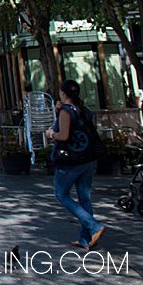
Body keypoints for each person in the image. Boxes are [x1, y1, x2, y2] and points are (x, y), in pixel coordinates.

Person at [45, 79, 105, 249]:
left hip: (71, 160)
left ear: (63, 93)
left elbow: (63, 135)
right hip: (88, 158)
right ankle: (86, 239)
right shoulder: (83, 110)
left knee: (61, 194)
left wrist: (50, 134)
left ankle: (93, 225)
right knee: (84, 197)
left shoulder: (66, 111)